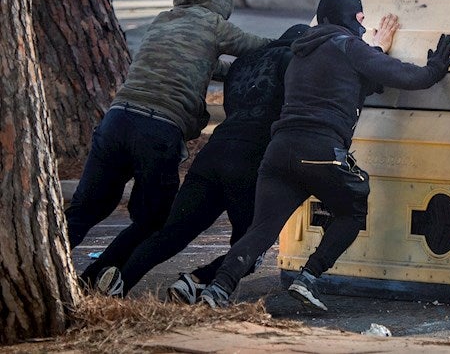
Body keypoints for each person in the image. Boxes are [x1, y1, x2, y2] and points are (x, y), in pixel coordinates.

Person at [198, 0, 450, 311]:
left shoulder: (301, 53)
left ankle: (217, 289)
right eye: (361, 19)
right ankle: (308, 278)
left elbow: (355, 81)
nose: (364, 27)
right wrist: (434, 68)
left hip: (279, 152)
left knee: (261, 229)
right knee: (352, 210)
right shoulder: (349, 46)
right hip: (321, 149)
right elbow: (406, 77)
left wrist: (372, 49)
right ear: (350, 19)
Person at [66, 0, 270, 289]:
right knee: (156, 219)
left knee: (85, 209)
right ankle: (100, 279)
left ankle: (41, 272)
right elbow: (260, 47)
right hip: (158, 131)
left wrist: (220, 72)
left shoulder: (162, 21)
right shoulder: (214, 24)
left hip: (116, 121)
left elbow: (194, 61)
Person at [93, 23, 311, 299]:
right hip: (251, 160)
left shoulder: (243, 63)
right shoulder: (293, 62)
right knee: (250, 246)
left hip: (212, 154)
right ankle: (198, 279)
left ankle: (119, 283)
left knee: (172, 232)